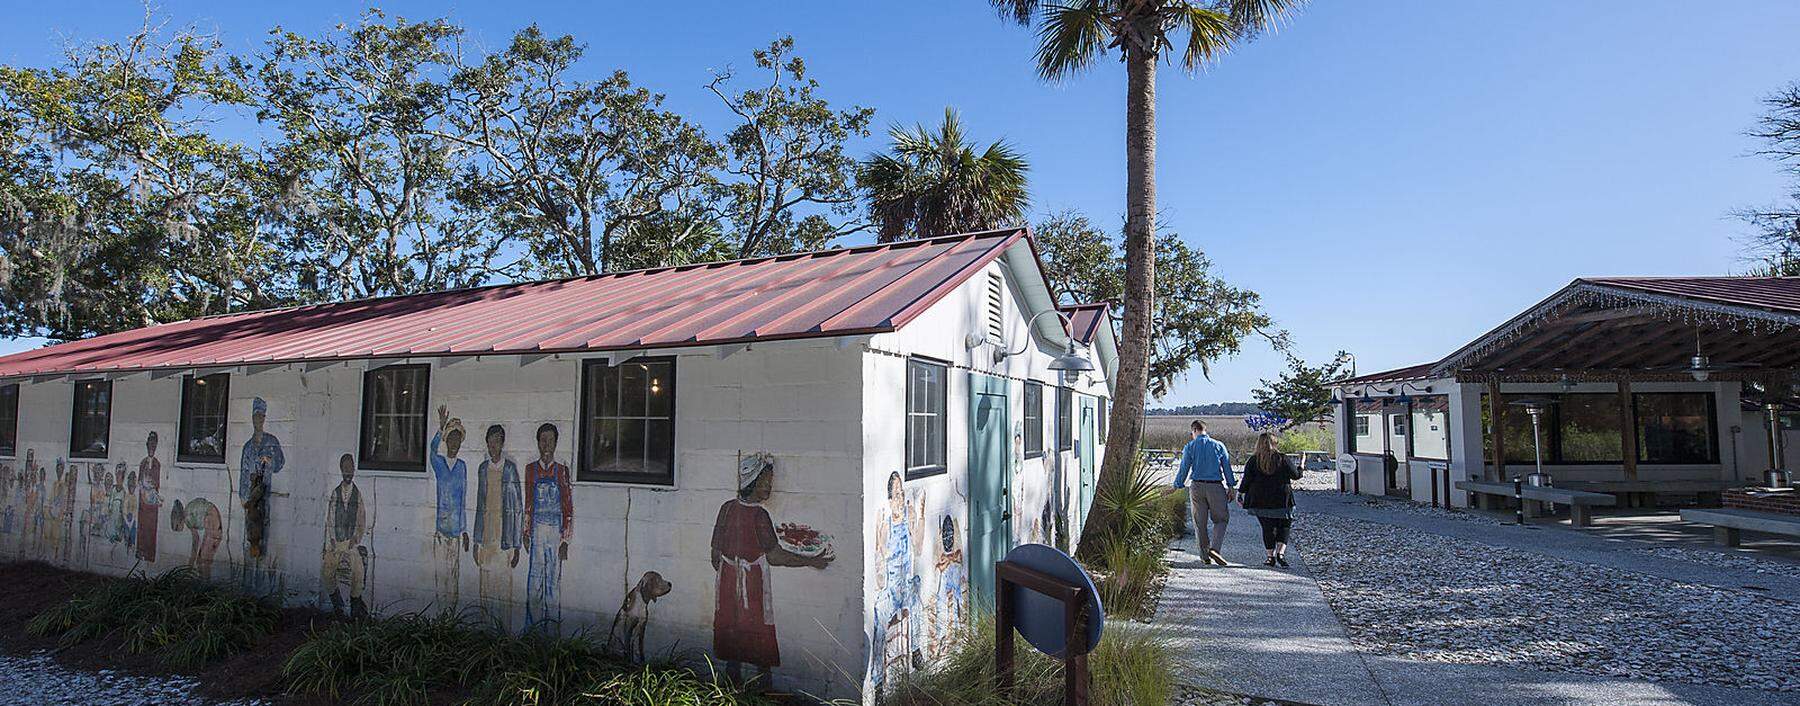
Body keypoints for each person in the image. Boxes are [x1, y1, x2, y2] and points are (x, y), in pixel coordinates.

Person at [1170, 419, 1235, 566]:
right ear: (1205, 430)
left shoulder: (1190, 446)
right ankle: (1215, 549)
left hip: (1197, 487)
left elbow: (1184, 469)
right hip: (1215, 486)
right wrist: (1231, 487)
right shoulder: (1219, 445)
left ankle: (1204, 555)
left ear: (1193, 431)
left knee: (1200, 523)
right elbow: (1227, 468)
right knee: (1221, 519)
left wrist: (1177, 485)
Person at [1239, 432, 1303, 568]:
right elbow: (1296, 475)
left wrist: (1241, 493)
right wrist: (1301, 465)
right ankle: (1281, 554)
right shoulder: (1282, 458)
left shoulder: (1253, 460)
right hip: (1282, 499)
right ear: (1275, 443)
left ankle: (1270, 557)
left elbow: (1246, 480)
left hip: (1260, 500)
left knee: (1267, 528)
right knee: (1284, 526)